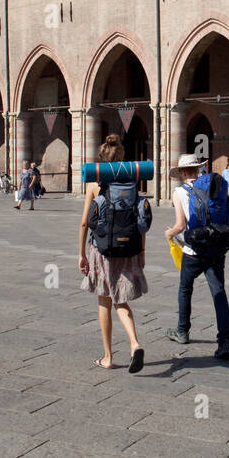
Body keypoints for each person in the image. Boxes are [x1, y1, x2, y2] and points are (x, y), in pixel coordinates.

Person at [78, 135, 146, 373]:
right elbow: (140, 221)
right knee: (121, 299)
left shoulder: (94, 185)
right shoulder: (131, 182)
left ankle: (108, 357)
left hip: (102, 249)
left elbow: (85, 223)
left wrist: (81, 254)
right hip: (128, 249)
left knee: (104, 300)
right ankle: (134, 344)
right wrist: (142, 251)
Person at [165, 152, 229, 361]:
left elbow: (181, 225)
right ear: (198, 169)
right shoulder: (213, 186)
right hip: (216, 249)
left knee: (185, 289)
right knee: (219, 292)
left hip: (193, 252)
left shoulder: (179, 192)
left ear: (183, 172)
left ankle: (182, 331)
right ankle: (224, 342)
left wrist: (168, 234)